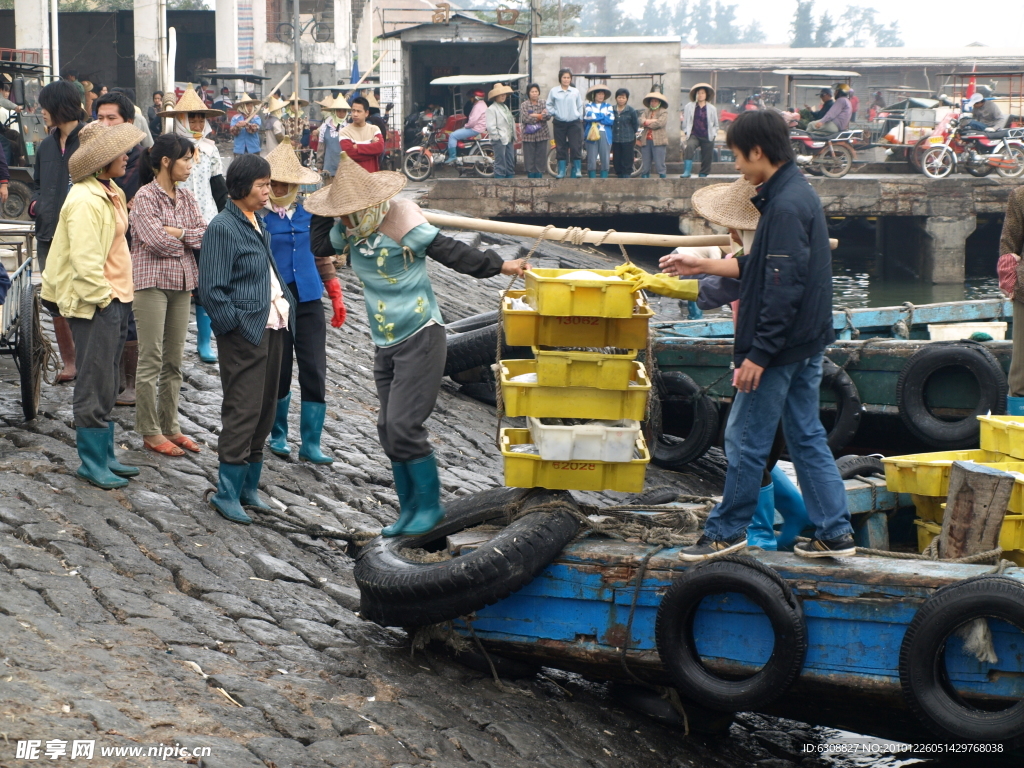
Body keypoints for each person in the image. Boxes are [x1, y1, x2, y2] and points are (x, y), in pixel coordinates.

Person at [661, 110, 853, 559]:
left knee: (744, 438)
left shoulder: (784, 206)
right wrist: (703, 263)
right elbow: (762, 267)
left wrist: (758, 355)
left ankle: (727, 530)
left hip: (781, 347)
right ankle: (835, 531)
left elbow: (780, 290)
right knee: (805, 434)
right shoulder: (795, 193)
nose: (738, 168)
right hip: (807, 341)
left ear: (759, 152)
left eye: (737, 156)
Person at [306, 155, 529, 536]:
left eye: (349, 212)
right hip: (384, 340)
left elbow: (452, 252)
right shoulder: (351, 230)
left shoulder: (402, 222)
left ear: (369, 206)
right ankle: (408, 510)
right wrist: (325, 202)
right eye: (341, 215)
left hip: (421, 334)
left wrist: (501, 265)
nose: (344, 222)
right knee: (387, 428)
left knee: (404, 424)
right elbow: (318, 243)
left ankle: (430, 507)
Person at [41, 121, 145, 489]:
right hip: (97, 301)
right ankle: (91, 461)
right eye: (120, 152)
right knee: (94, 378)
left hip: (117, 295)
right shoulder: (85, 199)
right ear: (101, 161)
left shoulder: (110, 189)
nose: (127, 155)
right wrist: (103, 299)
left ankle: (104, 454)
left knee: (109, 380)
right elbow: (85, 263)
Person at [198, 154, 295, 524]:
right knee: (243, 409)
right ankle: (227, 491)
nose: (269, 191)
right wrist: (235, 328)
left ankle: (249, 487)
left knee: (266, 409)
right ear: (241, 188)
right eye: (262, 185)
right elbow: (211, 288)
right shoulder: (223, 226)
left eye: (268, 184)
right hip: (246, 333)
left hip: (272, 327)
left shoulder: (257, 223)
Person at [262, 140, 346, 463]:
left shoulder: (310, 213)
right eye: (275, 182)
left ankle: (311, 443)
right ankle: (278, 433)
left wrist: (335, 292)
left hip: (310, 296)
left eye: (286, 183)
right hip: (277, 300)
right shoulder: (261, 215)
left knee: (313, 367)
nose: (280, 188)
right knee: (280, 368)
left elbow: (322, 254)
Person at [128, 133, 207, 456]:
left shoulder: (187, 197)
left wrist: (179, 233)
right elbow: (153, 240)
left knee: (174, 360)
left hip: (183, 283)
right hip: (151, 283)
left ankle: (170, 425)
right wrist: (183, 239)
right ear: (165, 161)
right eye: (186, 159)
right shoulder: (145, 197)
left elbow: (204, 235)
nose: (190, 165)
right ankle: (149, 429)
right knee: (151, 357)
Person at [157, 86, 227, 365]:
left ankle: (203, 342)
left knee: (206, 282)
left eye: (200, 119)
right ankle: (169, 340)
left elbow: (218, 187)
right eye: (191, 120)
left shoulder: (210, 149)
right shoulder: (169, 148)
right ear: (181, 120)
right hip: (175, 223)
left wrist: (227, 217)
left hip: (206, 221)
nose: (196, 125)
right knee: (174, 279)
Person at [95, 90, 148, 406]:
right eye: (99, 118)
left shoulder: (144, 160)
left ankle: (131, 382)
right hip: (102, 243)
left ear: (128, 121)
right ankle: (111, 376)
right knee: (106, 309)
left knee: (128, 312)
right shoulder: (93, 157)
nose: (104, 124)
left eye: (111, 118)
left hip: (133, 246)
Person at [32, 80, 86, 383]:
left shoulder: (90, 140)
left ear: (61, 106)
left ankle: (89, 357)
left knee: (82, 297)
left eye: (46, 106)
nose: (42, 112)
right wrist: (36, 205)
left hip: (80, 234)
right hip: (47, 233)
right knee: (54, 300)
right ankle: (70, 362)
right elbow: (37, 183)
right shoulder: (46, 144)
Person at [999, 186, 1024, 415]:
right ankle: (1019, 422)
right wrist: (1009, 281)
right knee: (1021, 373)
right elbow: (1009, 243)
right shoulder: (1021, 196)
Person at [546, 69, 584, 179]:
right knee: (560, 147)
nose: (566, 79)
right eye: (564, 77)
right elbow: (549, 105)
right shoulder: (554, 91)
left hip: (574, 122)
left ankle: (577, 169)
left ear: (570, 79)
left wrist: (579, 116)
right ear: (560, 78)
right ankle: (561, 170)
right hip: (559, 122)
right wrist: (555, 113)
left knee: (575, 146)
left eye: (568, 77)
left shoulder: (575, 91)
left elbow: (580, 105)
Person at [681, 83, 719, 179]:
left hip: (707, 134)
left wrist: (714, 134)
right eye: (698, 93)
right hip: (694, 134)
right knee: (689, 147)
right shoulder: (689, 106)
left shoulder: (712, 108)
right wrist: (686, 132)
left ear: (706, 95)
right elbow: (685, 122)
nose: (700, 95)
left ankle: (704, 173)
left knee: (707, 154)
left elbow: (716, 124)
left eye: (702, 93)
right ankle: (687, 171)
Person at [341, 96, 384, 173]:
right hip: (352, 179)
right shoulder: (344, 132)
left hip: (371, 178)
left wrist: (358, 147)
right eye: (353, 111)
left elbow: (380, 148)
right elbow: (350, 154)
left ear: (366, 113)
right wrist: (371, 147)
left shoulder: (374, 129)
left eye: (358, 111)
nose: (355, 114)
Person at [316, 94, 350, 185]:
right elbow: (321, 148)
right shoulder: (325, 127)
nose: (341, 113)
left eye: (344, 111)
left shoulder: (349, 128)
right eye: (339, 110)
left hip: (345, 171)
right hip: (329, 170)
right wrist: (319, 167)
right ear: (334, 111)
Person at [446, 89, 487, 165]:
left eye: (471, 97)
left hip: (475, 129)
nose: (470, 99)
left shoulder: (477, 106)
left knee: (452, 135)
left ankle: (452, 157)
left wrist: (465, 126)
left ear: (475, 98)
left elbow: (472, 122)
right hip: (479, 128)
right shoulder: (483, 104)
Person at [519, 83, 551, 179]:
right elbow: (525, 118)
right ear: (528, 93)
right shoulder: (524, 105)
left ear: (539, 92)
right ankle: (530, 175)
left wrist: (534, 115)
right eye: (532, 91)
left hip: (542, 134)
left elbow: (548, 116)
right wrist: (540, 115)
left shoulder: (544, 103)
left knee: (541, 156)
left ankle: (539, 175)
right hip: (528, 136)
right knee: (529, 157)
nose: (534, 93)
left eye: (536, 91)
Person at [485, 84, 516, 179]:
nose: (503, 96)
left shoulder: (505, 107)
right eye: (500, 94)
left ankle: (510, 179)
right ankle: (499, 181)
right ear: (495, 96)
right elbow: (491, 126)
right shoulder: (491, 109)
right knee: (500, 161)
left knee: (510, 160)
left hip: (509, 138)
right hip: (499, 139)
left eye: (504, 94)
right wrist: (497, 137)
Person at [583, 85, 614, 179]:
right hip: (591, 133)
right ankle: (592, 179)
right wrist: (603, 116)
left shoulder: (608, 106)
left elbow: (611, 120)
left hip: (605, 133)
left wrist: (597, 117)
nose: (601, 96)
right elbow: (588, 116)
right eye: (599, 94)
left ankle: (604, 179)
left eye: (602, 94)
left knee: (605, 157)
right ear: (594, 95)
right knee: (591, 157)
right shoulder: (588, 106)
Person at [638, 91, 669, 179]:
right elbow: (641, 121)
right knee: (646, 160)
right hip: (646, 139)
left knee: (659, 161)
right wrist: (652, 120)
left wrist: (647, 122)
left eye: (655, 101)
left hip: (659, 140)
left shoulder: (663, 112)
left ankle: (662, 175)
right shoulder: (646, 111)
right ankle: (645, 174)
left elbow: (660, 123)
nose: (653, 103)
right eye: (652, 101)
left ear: (659, 102)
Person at [611, 88, 639, 179]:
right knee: (617, 160)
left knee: (627, 160)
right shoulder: (611, 109)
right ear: (616, 98)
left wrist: (630, 133)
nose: (621, 99)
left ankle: (626, 178)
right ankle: (619, 177)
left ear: (626, 99)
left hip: (628, 139)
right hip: (615, 138)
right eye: (619, 97)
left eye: (623, 97)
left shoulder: (631, 111)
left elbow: (635, 125)